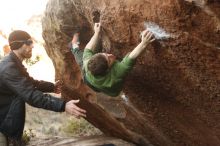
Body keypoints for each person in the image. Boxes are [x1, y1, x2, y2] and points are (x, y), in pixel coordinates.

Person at [0, 30, 86, 146]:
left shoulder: (13, 63)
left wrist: (52, 87)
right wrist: (63, 105)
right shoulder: (8, 68)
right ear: (19, 44)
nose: (32, 45)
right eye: (29, 42)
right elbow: (30, 95)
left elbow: (30, 83)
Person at [71, 23, 154, 97]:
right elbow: (131, 57)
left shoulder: (87, 61)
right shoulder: (116, 75)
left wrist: (96, 32)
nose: (110, 55)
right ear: (108, 70)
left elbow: (88, 49)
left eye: (105, 54)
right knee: (101, 89)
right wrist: (144, 43)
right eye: (109, 59)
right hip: (98, 85)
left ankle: (75, 37)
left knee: (75, 50)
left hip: (86, 73)